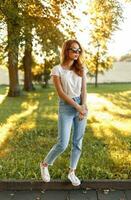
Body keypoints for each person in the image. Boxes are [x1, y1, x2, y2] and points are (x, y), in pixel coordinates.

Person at [40, 39, 88, 186]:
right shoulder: (57, 70)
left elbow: (84, 90)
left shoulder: (81, 68)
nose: (76, 53)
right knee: (63, 143)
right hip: (66, 107)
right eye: (73, 50)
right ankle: (45, 164)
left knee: (77, 142)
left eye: (78, 50)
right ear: (66, 51)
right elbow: (61, 93)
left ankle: (72, 171)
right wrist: (77, 107)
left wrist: (83, 107)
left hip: (81, 105)